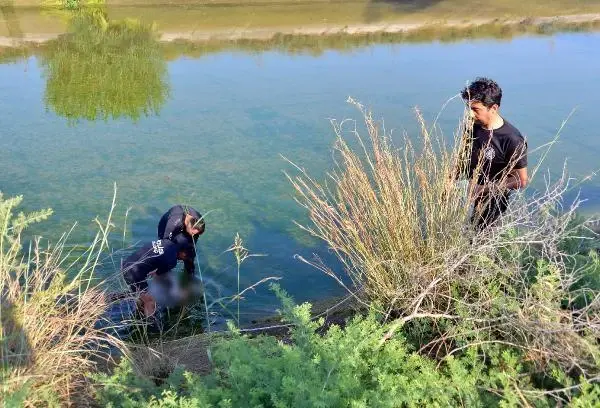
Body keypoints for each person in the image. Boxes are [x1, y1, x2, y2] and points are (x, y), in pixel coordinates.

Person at [460, 77, 528, 230]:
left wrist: (483, 189)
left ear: (494, 108)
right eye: (469, 108)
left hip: (492, 205)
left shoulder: (512, 139)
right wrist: (450, 180)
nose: (470, 114)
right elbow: (463, 157)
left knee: (480, 244)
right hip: (468, 197)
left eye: (476, 110)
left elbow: (521, 180)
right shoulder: (473, 126)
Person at [121, 239, 191, 316]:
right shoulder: (172, 261)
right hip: (134, 273)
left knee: (141, 297)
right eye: (186, 257)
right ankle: (150, 325)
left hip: (126, 264)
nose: (183, 260)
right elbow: (157, 278)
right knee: (150, 301)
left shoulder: (167, 242)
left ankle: (110, 298)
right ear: (183, 253)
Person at [157, 205, 205, 276]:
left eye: (196, 234)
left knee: (190, 253)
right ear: (189, 225)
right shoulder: (172, 224)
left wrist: (187, 253)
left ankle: (189, 273)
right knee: (167, 254)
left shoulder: (199, 224)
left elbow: (193, 241)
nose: (193, 235)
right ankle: (163, 273)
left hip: (186, 226)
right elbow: (165, 245)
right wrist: (177, 253)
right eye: (192, 233)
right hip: (167, 226)